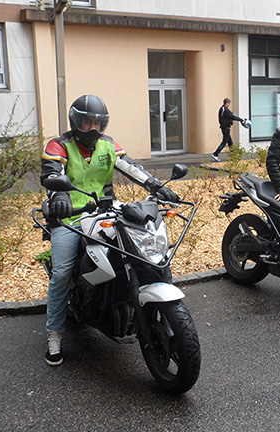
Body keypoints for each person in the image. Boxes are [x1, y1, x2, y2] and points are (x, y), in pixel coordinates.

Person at [40, 94, 179, 367]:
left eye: (98, 123)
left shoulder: (107, 144)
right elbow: (51, 174)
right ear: (75, 121)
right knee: (62, 272)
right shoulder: (59, 145)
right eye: (86, 122)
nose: (92, 128)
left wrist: (156, 186)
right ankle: (54, 333)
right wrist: (59, 197)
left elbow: (130, 167)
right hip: (70, 217)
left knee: (142, 247)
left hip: (105, 209)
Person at [212, 98, 247, 162]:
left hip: (223, 127)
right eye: (229, 103)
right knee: (224, 142)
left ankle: (233, 156)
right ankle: (215, 154)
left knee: (230, 142)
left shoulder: (222, 109)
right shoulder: (226, 110)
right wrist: (241, 120)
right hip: (226, 128)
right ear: (227, 103)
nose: (229, 105)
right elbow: (232, 116)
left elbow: (223, 118)